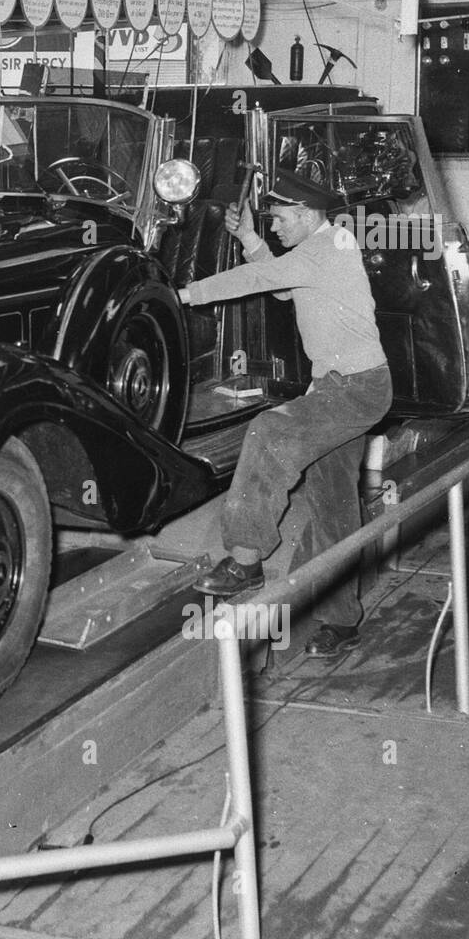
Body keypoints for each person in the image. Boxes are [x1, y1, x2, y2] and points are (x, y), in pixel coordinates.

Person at [177, 171, 393, 657]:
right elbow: (281, 287)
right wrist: (249, 237)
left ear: (306, 214)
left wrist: (182, 296)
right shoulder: (321, 248)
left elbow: (259, 278)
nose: (274, 226)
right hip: (338, 388)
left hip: (355, 391)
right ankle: (342, 623)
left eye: (278, 219)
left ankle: (247, 559)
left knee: (269, 431)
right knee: (335, 507)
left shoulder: (328, 248)